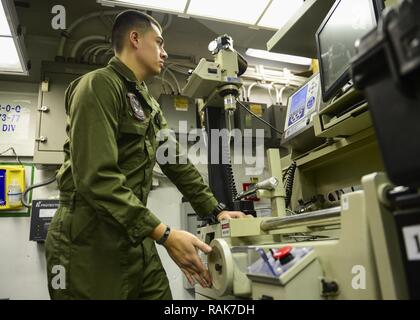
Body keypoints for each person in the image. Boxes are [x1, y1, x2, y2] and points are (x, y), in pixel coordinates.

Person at [45, 10, 246, 300]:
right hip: (89, 242)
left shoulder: (146, 102)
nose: (165, 53)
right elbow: (97, 178)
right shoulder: (98, 86)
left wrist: (216, 210)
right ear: (135, 39)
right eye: (160, 43)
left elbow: (176, 162)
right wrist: (164, 234)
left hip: (134, 235)